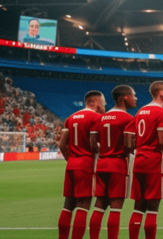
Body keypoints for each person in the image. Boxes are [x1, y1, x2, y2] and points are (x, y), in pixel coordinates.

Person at [89, 85, 137, 239]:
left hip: (102, 164)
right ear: (124, 97)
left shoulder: (101, 118)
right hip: (118, 165)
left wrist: (103, 151)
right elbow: (131, 145)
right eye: (133, 95)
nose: (135, 98)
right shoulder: (129, 119)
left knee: (99, 205)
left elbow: (92, 142)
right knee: (116, 207)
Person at [128, 81, 163, 239]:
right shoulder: (162, 113)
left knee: (138, 207)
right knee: (153, 208)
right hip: (154, 161)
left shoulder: (140, 111)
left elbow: (132, 139)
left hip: (139, 159)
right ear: (162, 93)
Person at [57, 90, 105, 239]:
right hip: (86, 164)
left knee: (68, 205)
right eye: (103, 102)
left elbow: (61, 144)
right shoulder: (97, 118)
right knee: (83, 205)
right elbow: (96, 143)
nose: (104, 105)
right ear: (95, 101)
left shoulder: (70, 118)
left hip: (72, 163)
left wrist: (70, 158)